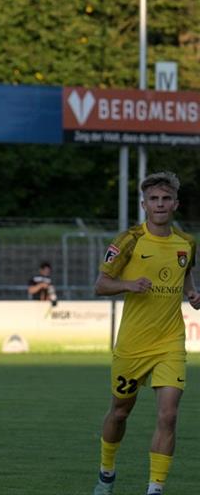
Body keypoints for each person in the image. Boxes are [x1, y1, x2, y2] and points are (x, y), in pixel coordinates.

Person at [91, 172, 200, 495]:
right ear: (144, 205)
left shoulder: (187, 243)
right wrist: (128, 284)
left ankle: (155, 489)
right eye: (154, 199)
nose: (160, 204)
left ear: (176, 204)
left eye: (166, 199)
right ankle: (106, 472)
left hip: (170, 342)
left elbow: (186, 276)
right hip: (133, 345)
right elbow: (100, 285)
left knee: (169, 415)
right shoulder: (129, 241)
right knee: (120, 411)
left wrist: (193, 295)